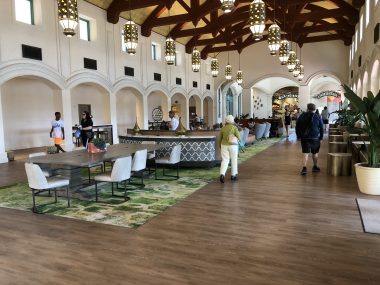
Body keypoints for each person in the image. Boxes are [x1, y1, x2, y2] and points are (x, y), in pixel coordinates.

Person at [296, 103, 324, 175]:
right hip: (315, 138)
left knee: (305, 153)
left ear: (307, 108)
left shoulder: (302, 115)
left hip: (304, 138)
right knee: (315, 153)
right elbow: (321, 128)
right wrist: (321, 138)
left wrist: (298, 136)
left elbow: (297, 126)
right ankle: (315, 166)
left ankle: (304, 168)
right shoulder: (317, 116)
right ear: (314, 109)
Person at [218, 115, 241, 183]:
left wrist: (220, 145)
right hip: (233, 146)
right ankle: (233, 175)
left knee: (225, 160)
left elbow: (220, 139)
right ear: (232, 121)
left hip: (224, 145)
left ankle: (222, 174)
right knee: (234, 160)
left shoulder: (223, 128)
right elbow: (239, 137)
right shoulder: (234, 128)